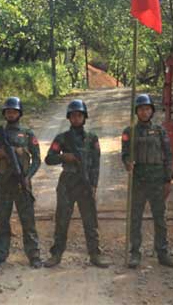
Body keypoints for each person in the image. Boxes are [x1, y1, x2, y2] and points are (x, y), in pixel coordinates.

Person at [0, 97, 44, 268]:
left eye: (14, 111)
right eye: (8, 112)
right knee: (1, 220)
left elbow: (37, 159)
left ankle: (34, 255)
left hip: (22, 183)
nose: (11, 114)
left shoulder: (28, 134)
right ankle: (0, 254)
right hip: (3, 183)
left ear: (19, 113)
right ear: (4, 114)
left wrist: (28, 177)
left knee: (28, 221)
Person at [44, 99, 111, 268]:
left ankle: (95, 254)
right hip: (67, 182)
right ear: (68, 118)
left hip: (85, 183)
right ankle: (56, 254)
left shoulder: (91, 138)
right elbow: (48, 159)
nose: (76, 118)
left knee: (90, 220)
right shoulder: (62, 138)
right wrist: (63, 157)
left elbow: (96, 163)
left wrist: (94, 185)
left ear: (84, 117)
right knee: (62, 220)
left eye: (79, 115)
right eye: (73, 116)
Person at [122, 94, 173, 269]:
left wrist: (168, 179)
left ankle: (162, 252)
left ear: (152, 111)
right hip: (139, 179)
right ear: (136, 112)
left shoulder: (160, 131)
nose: (144, 112)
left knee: (160, 217)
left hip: (157, 178)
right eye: (141, 109)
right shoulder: (129, 132)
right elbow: (124, 153)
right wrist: (127, 162)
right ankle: (135, 253)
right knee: (135, 217)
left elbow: (168, 155)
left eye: (147, 109)